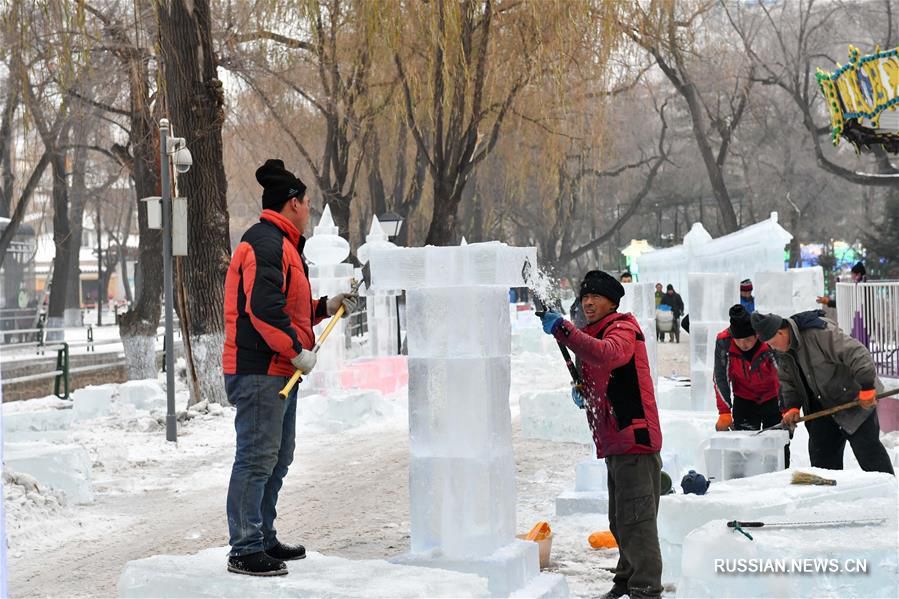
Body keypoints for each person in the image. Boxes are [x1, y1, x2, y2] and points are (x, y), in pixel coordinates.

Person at [222, 159, 358, 576]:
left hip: (281, 368)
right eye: (307, 202)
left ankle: (262, 535)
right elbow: (262, 311)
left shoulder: (284, 245)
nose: (310, 209)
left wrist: (325, 307)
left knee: (278, 456)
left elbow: (289, 309)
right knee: (257, 457)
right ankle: (244, 547)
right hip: (260, 368)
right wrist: (297, 350)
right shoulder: (266, 243)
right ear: (292, 202)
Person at [540, 271, 663, 599]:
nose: (588, 303)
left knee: (637, 521)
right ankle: (626, 580)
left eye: (595, 297)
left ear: (612, 301)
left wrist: (564, 331)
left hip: (634, 438)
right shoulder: (590, 335)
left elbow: (609, 354)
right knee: (620, 520)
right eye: (584, 298)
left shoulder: (623, 328)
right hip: (614, 442)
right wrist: (582, 387)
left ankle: (646, 589)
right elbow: (597, 369)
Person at [751, 309, 894, 475]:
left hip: (854, 401)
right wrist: (793, 407)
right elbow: (788, 381)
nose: (771, 347)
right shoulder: (782, 353)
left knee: (869, 453)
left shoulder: (820, 334)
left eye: (773, 343)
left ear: (781, 332)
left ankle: (887, 492)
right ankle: (828, 498)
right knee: (822, 464)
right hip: (821, 408)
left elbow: (857, 353)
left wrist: (867, 386)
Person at [712, 305, 789, 465]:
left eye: (748, 339)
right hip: (744, 399)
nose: (743, 344)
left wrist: (786, 409)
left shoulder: (768, 342)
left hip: (772, 398)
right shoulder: (724, 342)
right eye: (738, 340)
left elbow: (782, 377)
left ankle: (779, 480)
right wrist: (724, 412)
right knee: (744, 451)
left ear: (757, 335)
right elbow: (720, 377)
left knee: (777, 449)